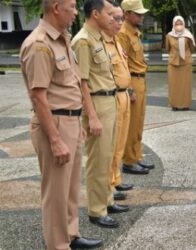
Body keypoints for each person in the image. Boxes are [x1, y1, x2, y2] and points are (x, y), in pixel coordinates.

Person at [20, 0, 103, 248]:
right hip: (53, 123)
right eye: (72, 7)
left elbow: (71, 83)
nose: (76, 12)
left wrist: (78, 121)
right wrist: (55, 139)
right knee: (56, 192)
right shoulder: (39, 44)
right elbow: (38, 96)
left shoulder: (62, 39)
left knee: (69, 187)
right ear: (56, 7)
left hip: (70, 120)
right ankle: (58, 244)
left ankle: (71, 234)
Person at [71, 0, 129, 229]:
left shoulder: (100, 37)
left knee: (108, 156)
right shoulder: (83, 41)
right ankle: (96, 210)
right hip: (97, 103)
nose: (112, 18)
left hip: (110, 100)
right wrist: (92, 116)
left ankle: (107, 199)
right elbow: (82, 82)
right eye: (108, 14)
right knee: (98, 160)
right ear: (95, 14)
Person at [117, 0, 154, 174]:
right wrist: (129, 89)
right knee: (132, 125)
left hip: (141, 79)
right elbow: (122, 63)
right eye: (137, 13)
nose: (141, 16)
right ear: (126, 13)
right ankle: (129, 161)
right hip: (132, 80)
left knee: (138, 122)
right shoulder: (123, 33)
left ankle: (136, 156)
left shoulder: (134, 32)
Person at [103, 1, 134, 201]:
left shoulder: (116, 41)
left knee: (120, 141)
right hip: (112, 96)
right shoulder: (101, 42)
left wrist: (129, 88)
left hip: (124, 94)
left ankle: (116, 179)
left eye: (121, 18)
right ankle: (109, 184)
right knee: (111, 145)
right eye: (116, 18)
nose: (119, 22)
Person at [165, 15, 196, 111]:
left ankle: (185, 104)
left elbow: (192, 49)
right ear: (173, 24)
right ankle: (174, 104)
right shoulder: (169, 35)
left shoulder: (188, 35)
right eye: (177, 23)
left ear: (184, 24)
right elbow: (167, 48)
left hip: (186, 63)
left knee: (185, 85)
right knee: (173, 84)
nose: (179, 25)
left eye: (180, 23)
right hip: (173, 63)